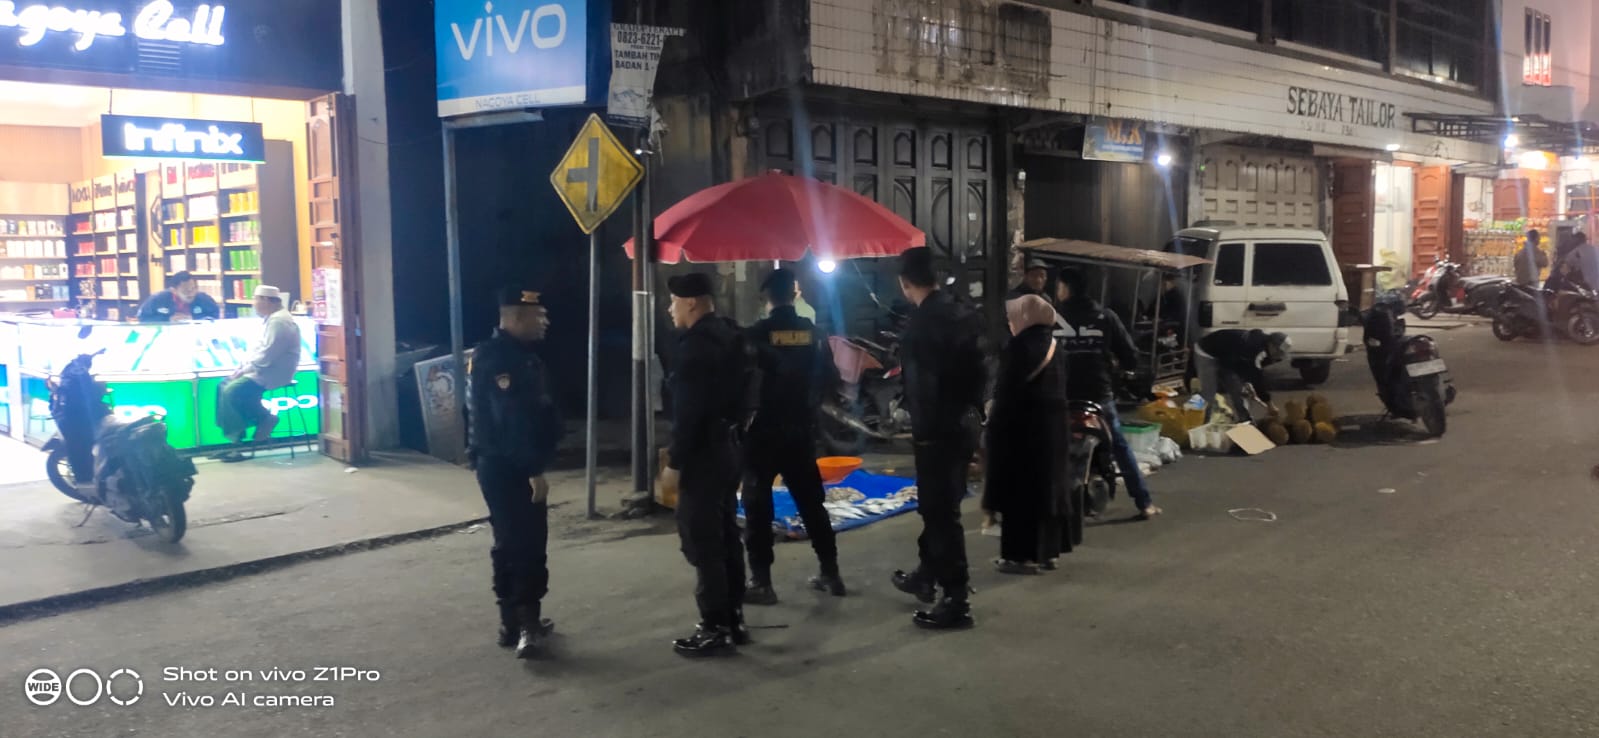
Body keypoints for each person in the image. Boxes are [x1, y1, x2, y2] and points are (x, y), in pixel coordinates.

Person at [890, 247, 987, 630]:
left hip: (939, 432)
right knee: (942, 507)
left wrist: (923, 433)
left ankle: (955, 598)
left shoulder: (920, 327)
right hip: (965, 423)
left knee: (940, 514)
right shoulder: (964, 312)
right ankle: (926, 574)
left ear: (905, 283)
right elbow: (982, 369)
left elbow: (923, 388)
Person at [660, 272, 754, 656]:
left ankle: (715, 625)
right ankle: (734, 618)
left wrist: (674, 462)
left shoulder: (695, 348)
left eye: (674, 302)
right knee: (727, 533)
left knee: (703, 539)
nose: (670, 309)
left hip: (703, 454)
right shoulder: (732, 335)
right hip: (730, 448)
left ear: (692, 303)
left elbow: (689, 413)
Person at [466, 287, 563, 659]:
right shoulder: (500, 359)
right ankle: (526, 625)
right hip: (509, 466)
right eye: (539, 315)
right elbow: (511, 423)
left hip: (504, 463)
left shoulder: (517, 355)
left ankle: (513, 621)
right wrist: (533, 469)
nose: (545, 321)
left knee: (511, 540)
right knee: (525, 542)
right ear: (516, 318)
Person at [741, 269, 844, 605]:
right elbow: (830, 380)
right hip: (800, 430)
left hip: (762, 433)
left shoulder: (755, 334)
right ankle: (831, 573)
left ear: (766, 298)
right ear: (793, 295)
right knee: (812, 503)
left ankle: (762, 582)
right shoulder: (814, 333)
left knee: (758, 506)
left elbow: (742, 383)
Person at [1055, 268, 1161, 521]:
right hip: (1098, 395)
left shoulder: (1051, 318)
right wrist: (1121, 366)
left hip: (1060, 396)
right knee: (1119, 447)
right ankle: (1144, 503)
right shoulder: (1105, 316)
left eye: (1058, 286)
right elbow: (1131, 356)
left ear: (1066, 288)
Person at [983, 294, 1071, 574]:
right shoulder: (1055, 345)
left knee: (1020, 493)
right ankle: (1048, 554)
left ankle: (1019, 557)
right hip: (1054, 431)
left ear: (1025, 317)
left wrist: (994, 422)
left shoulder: (1019, 347)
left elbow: (1006, 390)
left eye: (1013, 317)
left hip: (1022, 431)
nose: (1010, 323)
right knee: (1048, 489)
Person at [215, 286, 301, 462]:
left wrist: (244, 370)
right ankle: (257, 422)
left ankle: (239, 439)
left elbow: (268, 354)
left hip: (272, 372)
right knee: (222, 386)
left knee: (231, 391)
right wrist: (242, 367)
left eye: (256, 300)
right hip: (262, 369)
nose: (253, 304)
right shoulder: (271, 319)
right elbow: (258, 351)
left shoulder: (279, 322)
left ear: (267, 300)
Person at [1195, 329, 1291, 423]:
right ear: (1272, 345)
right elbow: (1257, 379)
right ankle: (1199, 420)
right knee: (1208, 393)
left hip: (1228, 357)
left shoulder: (1261, 350)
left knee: (1239, 391)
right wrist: (1269, 404)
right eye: (1278, 352)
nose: (1278, 356)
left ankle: (1245, 421)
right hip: (1207, 352)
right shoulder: (1256, 348)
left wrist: (1246, 383)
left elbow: (1244, 367)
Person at [137, 271, 220, 322]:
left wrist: (194, 319)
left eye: (194, 288)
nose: (191, 293)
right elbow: (143, 318)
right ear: (174, 290)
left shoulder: (204, 299)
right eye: (185, 290)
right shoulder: (157, 299)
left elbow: (215, 317)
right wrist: (167, 320)